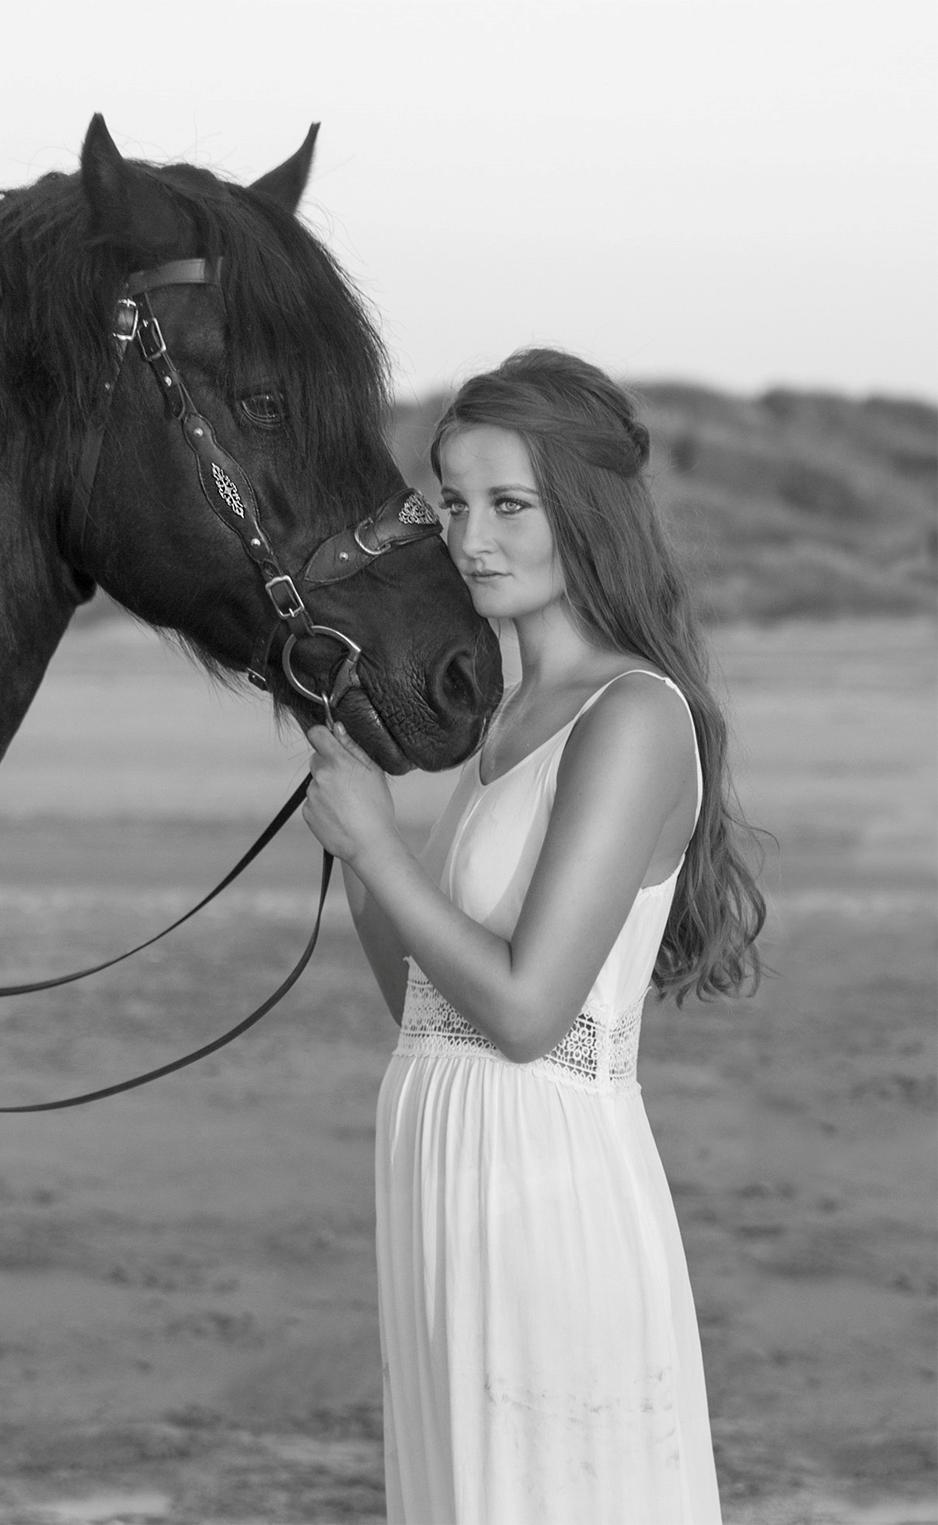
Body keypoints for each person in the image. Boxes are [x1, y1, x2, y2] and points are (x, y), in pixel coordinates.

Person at [301, 348, 765, 1524]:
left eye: (510, 504)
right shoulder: (511, 720)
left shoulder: (634, 717)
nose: (469, 538)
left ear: (590, 513)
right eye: (453, 502)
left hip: (544, 1192)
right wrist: (363, 839)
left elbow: (524, 1010)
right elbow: (425, 1001)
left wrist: (385, 852)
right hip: (443, 1178)